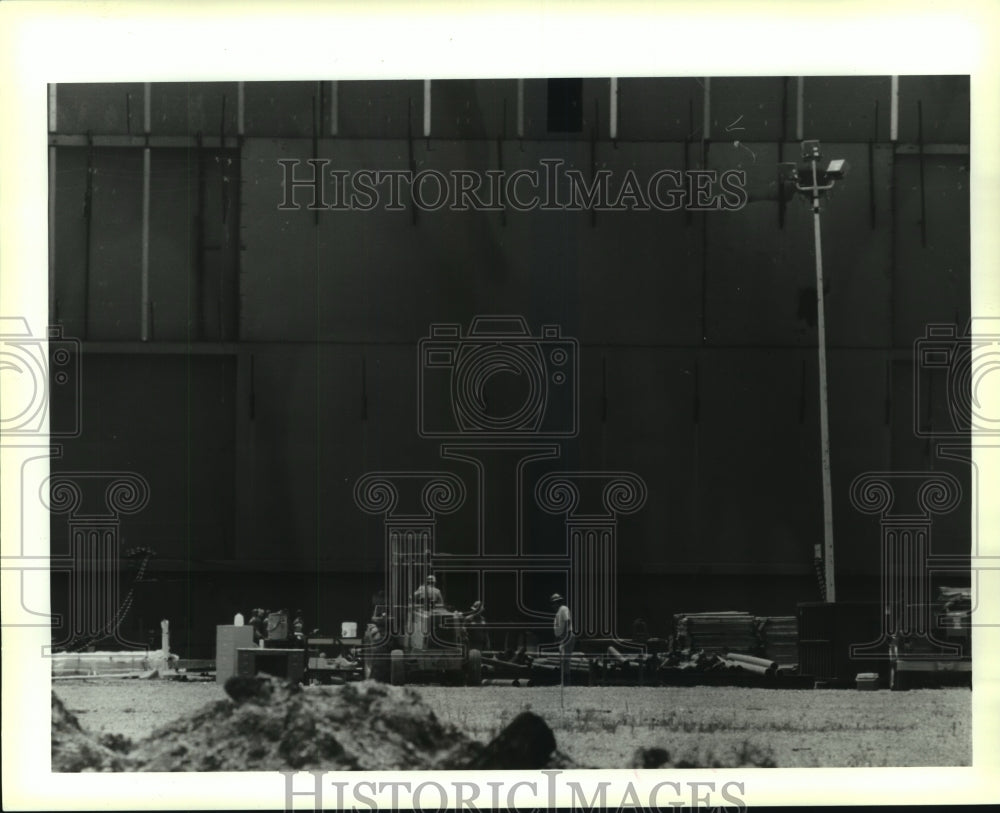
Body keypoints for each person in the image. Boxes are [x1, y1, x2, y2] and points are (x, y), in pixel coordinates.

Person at [550, 593, 575, 686]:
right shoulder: (558, 612)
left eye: (554, 603)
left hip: (567, 635)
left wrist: (564, 635)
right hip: (563, 636)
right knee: (564, 660)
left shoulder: (563, 608)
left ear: (558, 602)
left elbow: (567, 621)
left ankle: (565, 682)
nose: (553, 605)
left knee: (564, 659)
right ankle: (565, 682)